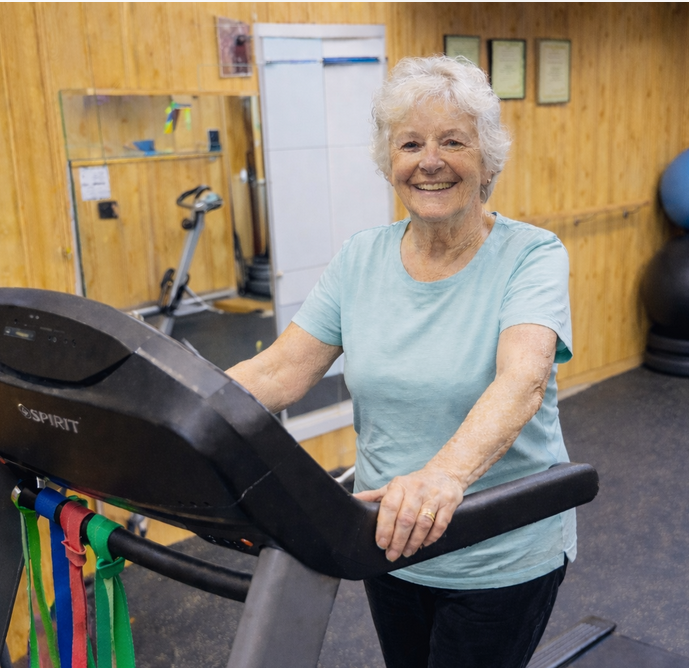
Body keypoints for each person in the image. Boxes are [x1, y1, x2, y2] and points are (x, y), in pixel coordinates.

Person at [226, 55, 576, 668]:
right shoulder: (362, 257)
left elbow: (521, 381)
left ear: (488, 159)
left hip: (497, 551)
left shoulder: (532, 255)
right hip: (389, 534)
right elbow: (279, 372)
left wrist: (442, 478)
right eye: (410, 143)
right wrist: (169, 412)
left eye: (452, 142)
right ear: (390, 162)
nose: (429, 160)